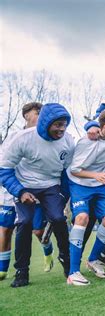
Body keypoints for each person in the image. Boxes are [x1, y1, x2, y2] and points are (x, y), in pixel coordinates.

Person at [0, 103, 74, 287]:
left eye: (64, 124)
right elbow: (4, 170)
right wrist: (20, 191)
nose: (62, 129)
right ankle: (21, 272)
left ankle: (69, 266)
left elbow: (67, 173)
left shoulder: (68, 141)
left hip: (51, 185)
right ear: (46, 123)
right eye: (57, 124)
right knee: (24, 223)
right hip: (25, 185)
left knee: (58, 218)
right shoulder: (22, 139)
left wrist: (63, 197)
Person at [66, 109, 105, 285]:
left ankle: (93, 259)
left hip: (100, 186)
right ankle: (73, 273)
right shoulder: (86, 142)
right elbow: (75, 170)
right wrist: (96, 175)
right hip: (80, 184)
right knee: (82, 218)